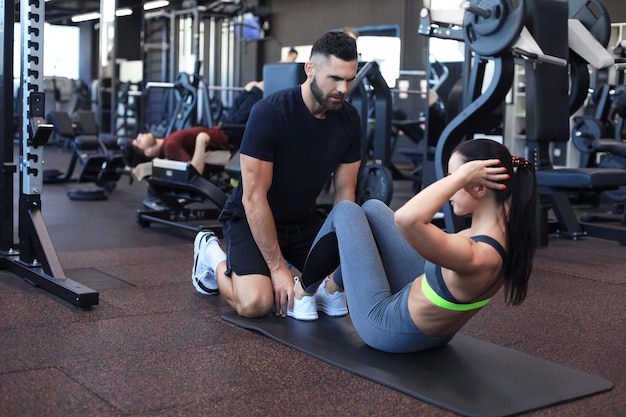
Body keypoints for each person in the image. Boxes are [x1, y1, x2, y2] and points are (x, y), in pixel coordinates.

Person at [292, 139, 538, 353]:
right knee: (372, 208)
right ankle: (333, 292)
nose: (448, 185)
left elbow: (406, 218)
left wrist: (462, 176)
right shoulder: (507, 227)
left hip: (388, 328)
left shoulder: (477, 253)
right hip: (433, 329)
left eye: (452, 179)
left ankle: (302, 293)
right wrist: (463, 177)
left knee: (346, 211)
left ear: (480, 187)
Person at [192, 31, 362, 319]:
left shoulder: (349, 120)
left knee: (358, 273)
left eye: (349, 79)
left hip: (303, 221)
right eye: (334, 78)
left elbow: (345, 198)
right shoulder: (270, 113)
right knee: (257, 302)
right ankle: (210, 255)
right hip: (250, 218)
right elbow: (253, 197)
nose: (343, 88)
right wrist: (277, 268)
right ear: (310, 69)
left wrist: (337, 267)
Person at [123, 80, 264, 175]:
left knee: (251, 86)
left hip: (222, 128)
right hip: (229, 135)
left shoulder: (167, 144)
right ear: (147, 152)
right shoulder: (169, 147)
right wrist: (201, 141)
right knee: (258, 89)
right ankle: (285, 66)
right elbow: (194, 170)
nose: (140, 135)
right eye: (139, 141)